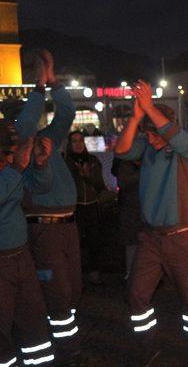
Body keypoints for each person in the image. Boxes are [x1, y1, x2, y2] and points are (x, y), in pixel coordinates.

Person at [114, 81, 188, 366]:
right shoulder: (147, 145)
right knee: (136, 294)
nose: (151, 138)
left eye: (155, 132)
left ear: (168, 127)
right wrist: (135, 117)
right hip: (151, 238)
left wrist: (150, 108)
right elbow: (121, 150)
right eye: (148, 133)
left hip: (182, 237)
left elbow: (175, 138)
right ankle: (148, 348)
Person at [15, 50, 82, 360]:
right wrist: (39, 89)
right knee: (58, 293)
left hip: (68, 225)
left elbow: (67, 113)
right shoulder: (22, 155)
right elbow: (40, 184)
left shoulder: (47, 139)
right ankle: (63, 350)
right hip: (44, 230)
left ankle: (65, 342)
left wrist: (53, 81)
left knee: (73, 289)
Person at [0, 120, 56, 367]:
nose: (11, 158)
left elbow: (40, 187)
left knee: (34, 321)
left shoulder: (11, 171)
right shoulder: (11, 172)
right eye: (7, 153)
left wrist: (40, 165)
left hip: (21, 256)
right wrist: (18, 167)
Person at [65, 130, 106, 285]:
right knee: (75, 242)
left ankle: (94, 272)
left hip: (91, 205)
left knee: (93, 241)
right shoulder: (66, 162)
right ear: (69, 144)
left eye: (80, 140)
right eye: (74, 141)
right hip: (74, 207)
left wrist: (87, 175)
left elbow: (100, 184)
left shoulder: (93, 160)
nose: (78, 144)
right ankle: (75, 274)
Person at [111, 158, 142, 280]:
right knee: (132, 242)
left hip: (142, 208)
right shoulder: (125, 164)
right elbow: (123, 181)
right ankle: (131, 273)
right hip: (131, 208)